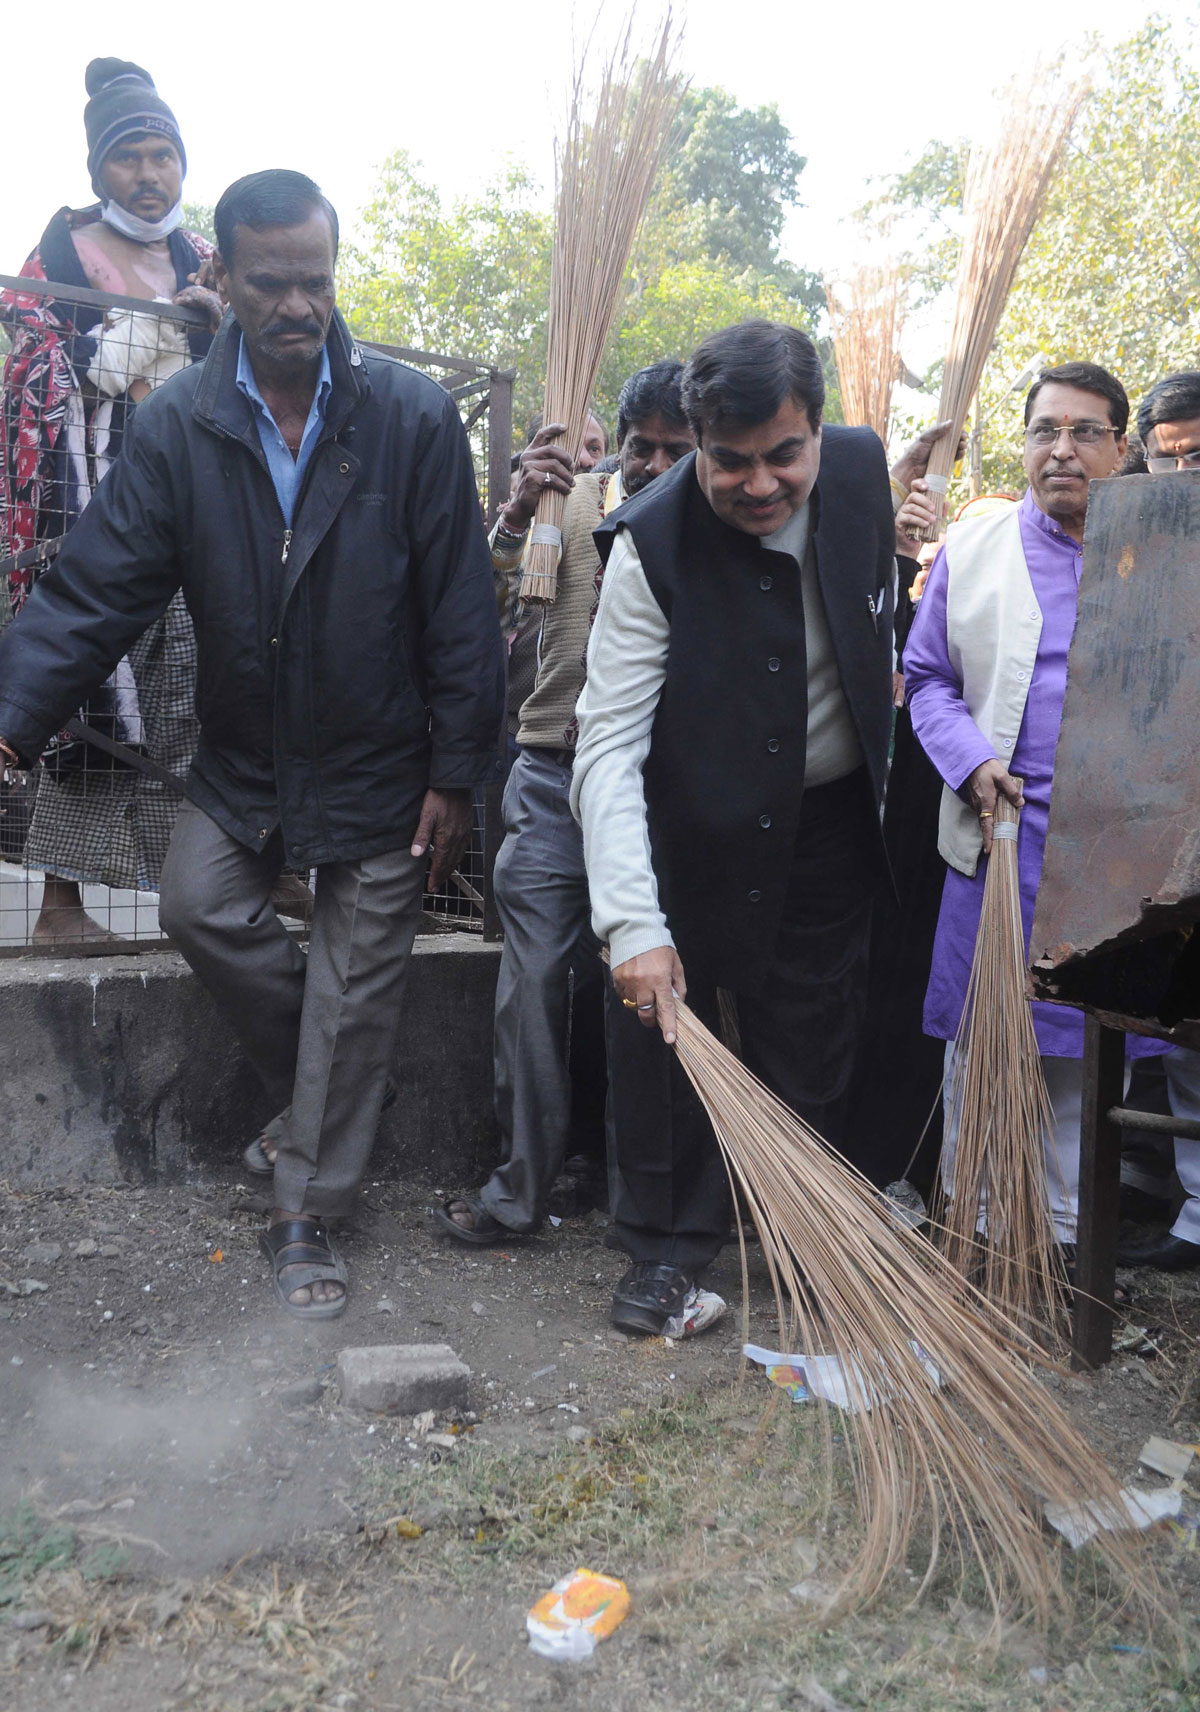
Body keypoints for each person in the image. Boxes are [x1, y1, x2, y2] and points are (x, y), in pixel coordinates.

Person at [0, 169, 505, 1319]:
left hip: (383, 760)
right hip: (243, 756)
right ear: (220, 275)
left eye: (315, 282)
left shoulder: (412, 418)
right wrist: (11, 714)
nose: (297, 306)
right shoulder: (182, 423)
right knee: (196, 908)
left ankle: (307, 1207)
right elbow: (97, 585)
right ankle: (335, 1087)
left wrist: (455, 772)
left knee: (355, 971)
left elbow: (463, 609)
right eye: (271, 283)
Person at [570, 320, 898, 1335]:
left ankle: (807, 1229)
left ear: (818, 429)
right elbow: (606, 744)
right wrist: (633, 924)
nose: (761, 484)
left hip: (831, 814)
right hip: (693, 821)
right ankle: (666, 1250)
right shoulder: (650, 543)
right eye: (731, 461)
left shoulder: (862, 469)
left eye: (784, 455)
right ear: (698, 441)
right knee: (666, 1035)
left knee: (814, 1029)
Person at [904, 361, 1167, 1254]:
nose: (1061, 451)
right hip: (1000, 842)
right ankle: (974, 1231)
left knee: (1083, 1059)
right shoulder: (975, 551)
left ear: (1121, 448)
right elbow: (928, 679)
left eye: (1084, 432)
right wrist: (972, 760)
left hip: (1117, 859)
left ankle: (1057, 1246)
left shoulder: (1165, 553)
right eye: (1043, 431)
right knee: (983, 1045)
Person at [435, 361, 696, 1244]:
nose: (657, 465)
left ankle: (646, 1202)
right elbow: (484, 606)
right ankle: (520, 1189)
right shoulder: (566, 502)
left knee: (652, 991)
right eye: (640, 448)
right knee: (534, 980)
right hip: (550, 776)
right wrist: (511, 517)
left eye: (678, 449)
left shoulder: (715, 513)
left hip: (661, 787)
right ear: (617, 445)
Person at [0, 58, 222, 945]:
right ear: (99, 169)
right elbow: (30, 378)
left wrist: (211, 327)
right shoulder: (55, 257)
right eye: (130, 156)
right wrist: (155, 328)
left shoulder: (207, 256)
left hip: (200, 502)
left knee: (199, 694)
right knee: (88, 691)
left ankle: (220, 883)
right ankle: (60, 906)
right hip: (92, 508)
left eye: (163, 154)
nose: (149, 173)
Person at [1115, 371, 1200, 1272]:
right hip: (1162, 815)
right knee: (1173, 1016)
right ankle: (1187, 1204)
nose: (1183, 474)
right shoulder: (1134, 541)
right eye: (1166, 457)